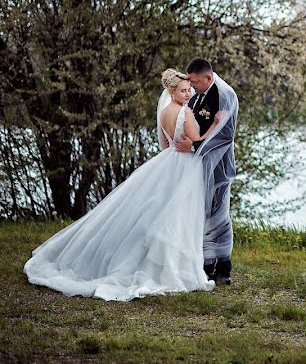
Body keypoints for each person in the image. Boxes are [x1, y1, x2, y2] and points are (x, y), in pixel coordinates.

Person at [23, 69, 225, 301]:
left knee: (161, 211)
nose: (188, 93)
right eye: (183, 90)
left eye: (189, 88)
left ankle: (161, 261)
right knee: (178, 215)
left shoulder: (163, 112)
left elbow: (164, 143)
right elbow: (197, 143)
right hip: (185, 166)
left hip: (167, 160)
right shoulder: (186, 113)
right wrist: (214, 125)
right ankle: (173, 268)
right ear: (172, 91)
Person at [175, 58, 239, 285]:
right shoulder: (197, 94)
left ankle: (224, 267)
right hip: (197, 164)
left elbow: (225, 135)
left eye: (194, 81)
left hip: (219, 165)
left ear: (208, 78)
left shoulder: (224, 95)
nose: (191, 86)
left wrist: (193, 146)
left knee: (219, 214)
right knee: (201, 213)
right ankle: (205, 264)